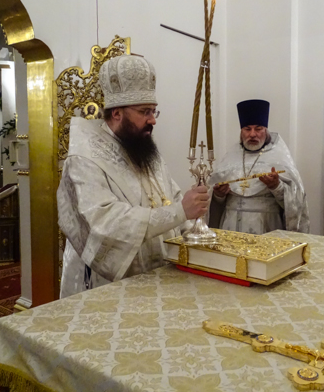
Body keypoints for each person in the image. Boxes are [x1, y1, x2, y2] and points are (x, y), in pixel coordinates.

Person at [57, 54, 209, 298]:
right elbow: (105, 222)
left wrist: (196, 233)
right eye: (144, 111)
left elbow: (171, 196)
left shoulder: (143, 148)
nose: (153, 120)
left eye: (154, 111)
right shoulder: (84, 159)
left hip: (157, 273)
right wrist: (180, 211)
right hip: (108, 283)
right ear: (117, 113)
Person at [209, 99, 309, 234]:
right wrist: (218, 195)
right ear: (241, 131)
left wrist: (276, 186)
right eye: (247, 129)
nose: (252, 134)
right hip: (230, 227)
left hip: (266, 227)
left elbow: (296, 202)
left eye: (258, 129)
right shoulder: (230, 157)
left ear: (266, 130)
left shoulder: (279, 157)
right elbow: (214, 202)